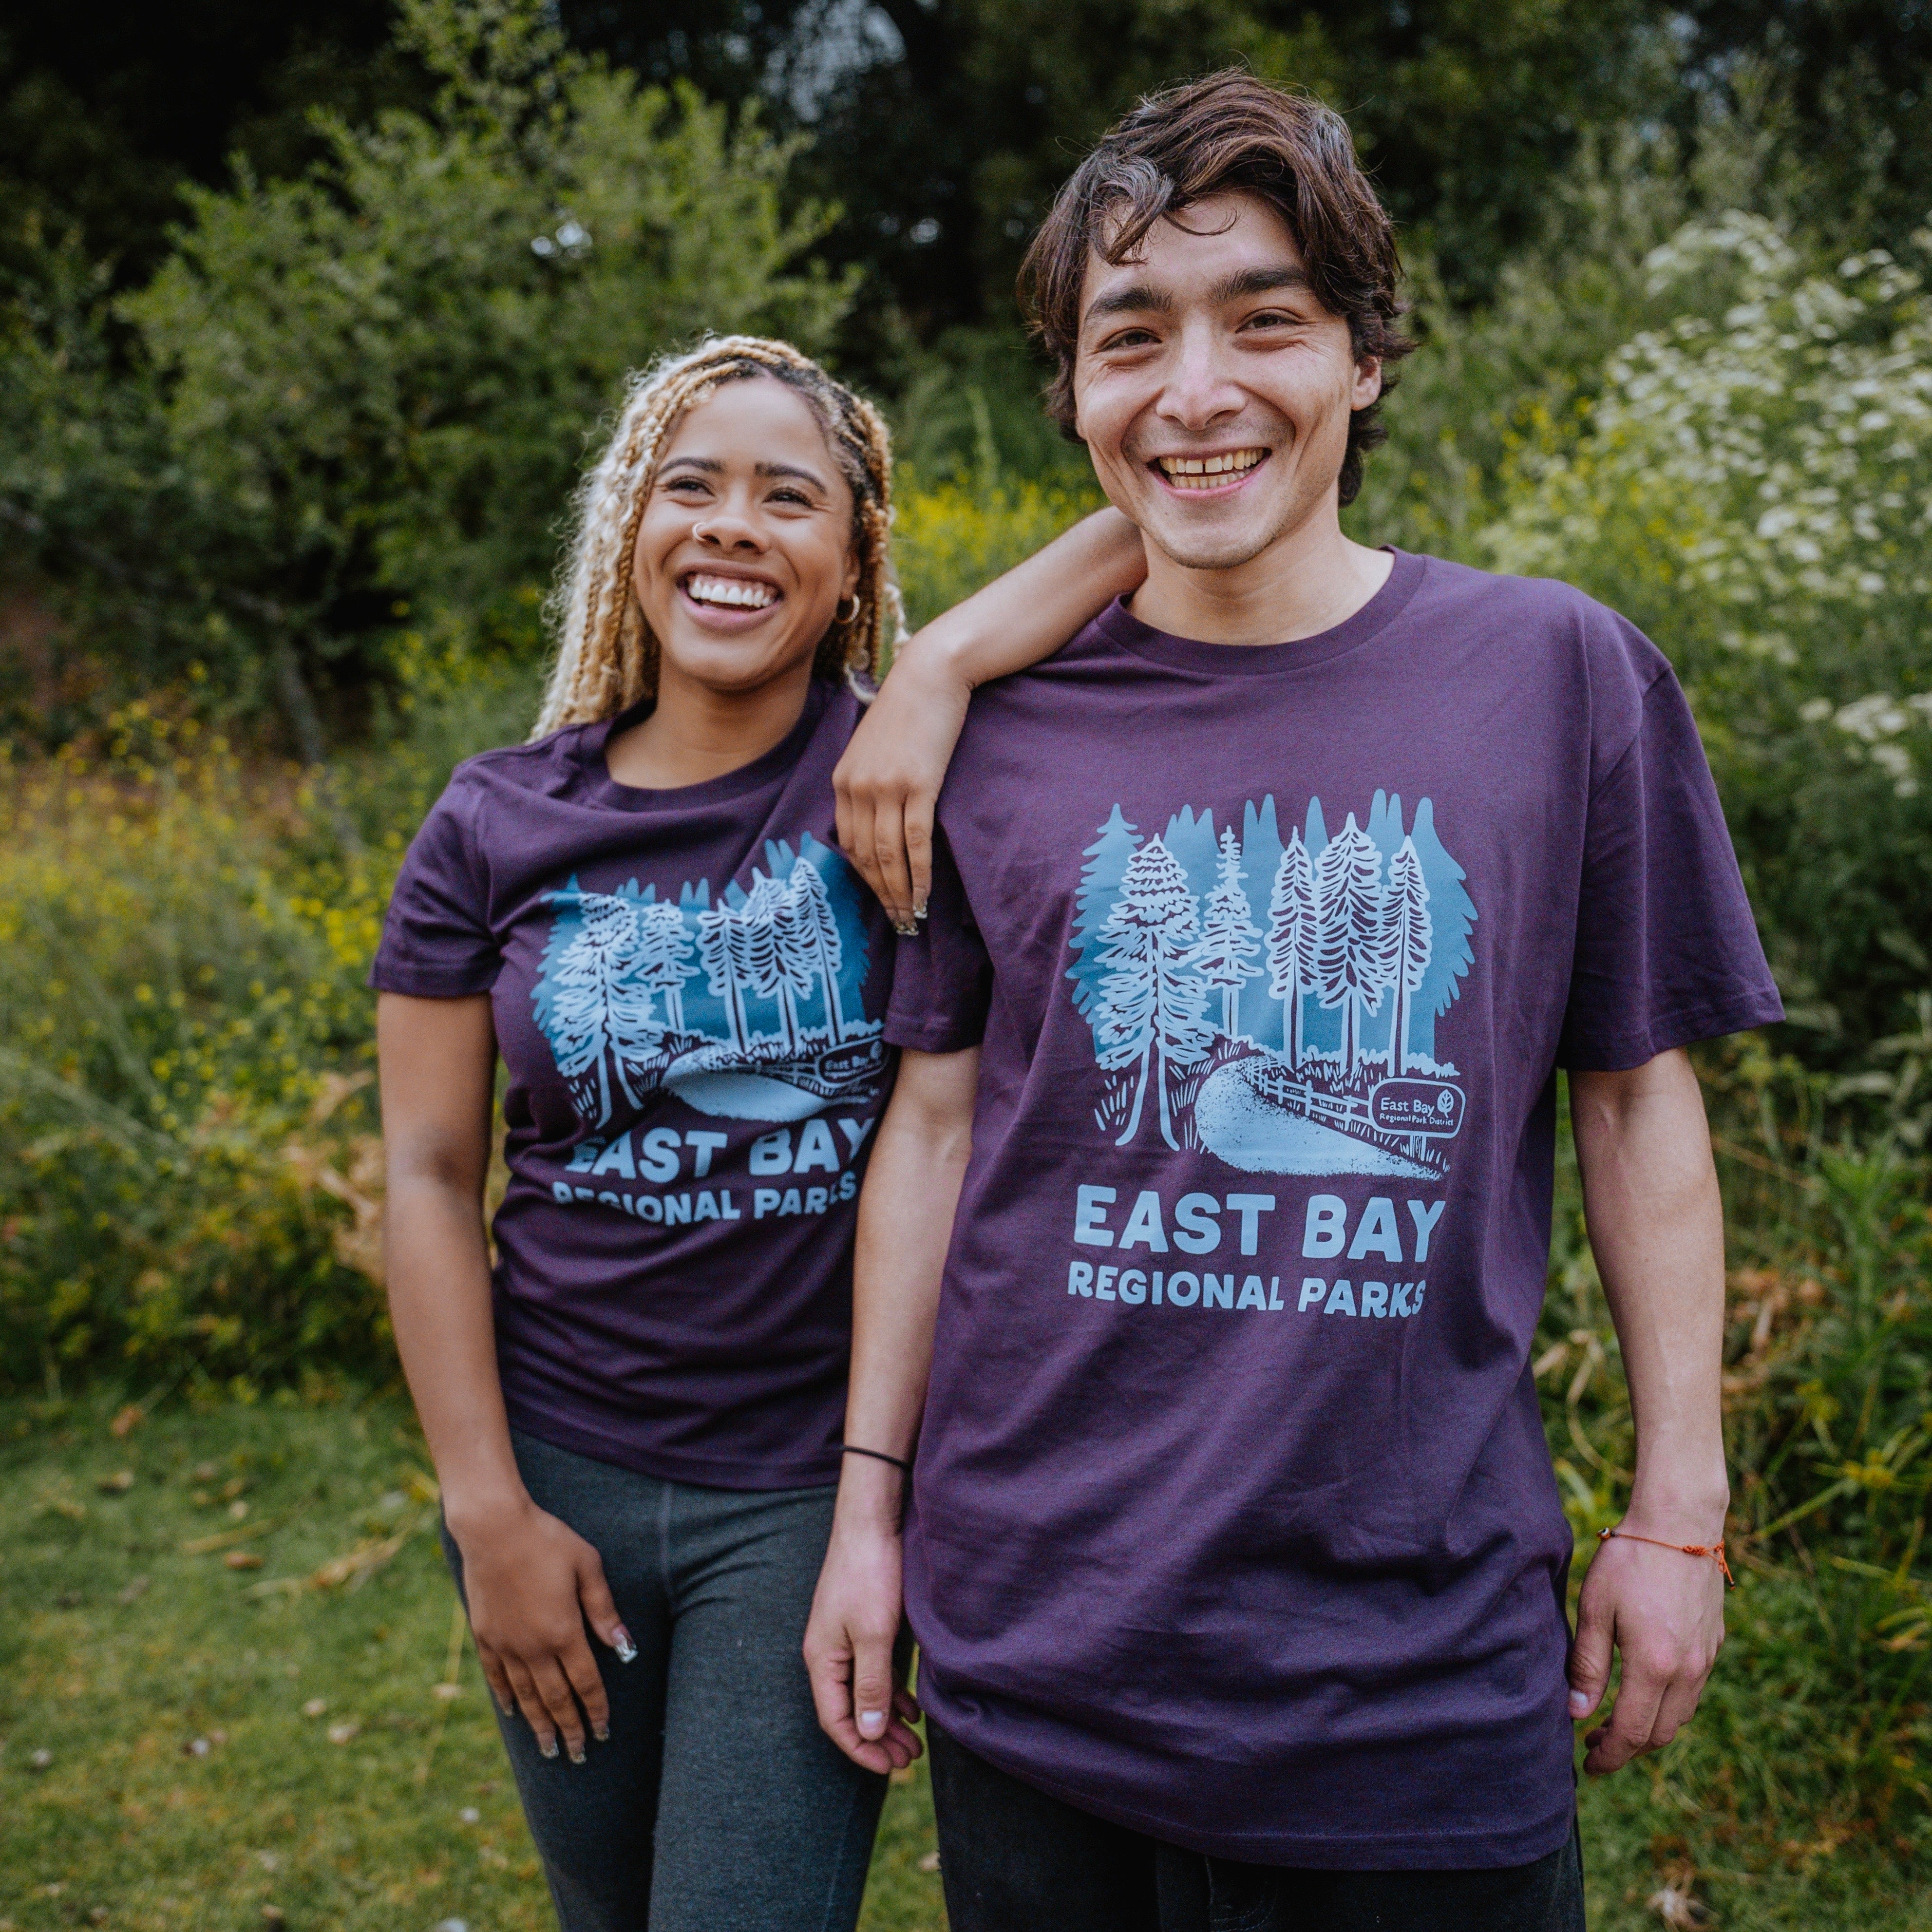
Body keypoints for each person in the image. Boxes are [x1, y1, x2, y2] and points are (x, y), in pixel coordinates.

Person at [807, 73, 1784, 1932]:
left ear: (1365, 358)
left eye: (1264, 320)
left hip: (1422, 1687)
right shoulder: (985, 740)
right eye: (1131, 339)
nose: (1195, 390)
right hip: (1038, 1658)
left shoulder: (1561, 674)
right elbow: (931, 1131)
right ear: (1073, 393)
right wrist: (870, 1517)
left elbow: (1636, 1096)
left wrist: (1682, 1510)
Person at [372, 333, 1143, 1932]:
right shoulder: (494, 819)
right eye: (691, 487)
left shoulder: (900, 788)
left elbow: (1150, 511)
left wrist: (934, 673)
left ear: (854, 561)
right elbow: (432, 1177)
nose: (732, 524)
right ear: (629, 529)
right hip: (556, 1468)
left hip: (812, 1491)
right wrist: (486, 1511)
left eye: (789, 498)